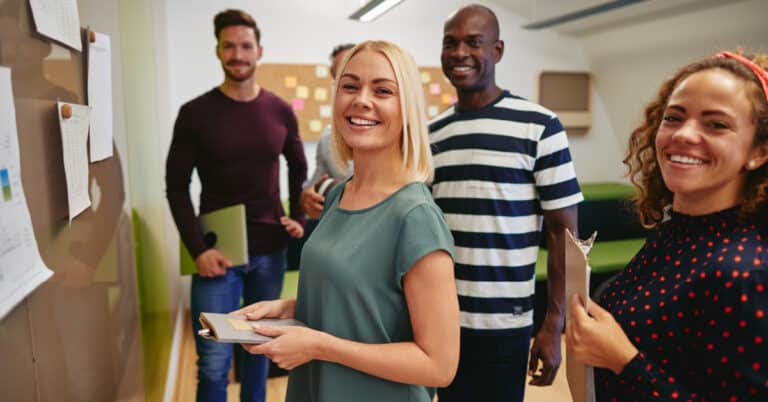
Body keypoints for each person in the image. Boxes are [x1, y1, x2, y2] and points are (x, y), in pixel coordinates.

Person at [235, 40, 460, 402]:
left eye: (383, 90)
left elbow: (439, 365)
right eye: (350, 86)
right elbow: (367, 304)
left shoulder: (415, 217)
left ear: (408, 110)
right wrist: (290, 309)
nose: (361, 100)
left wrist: (320, 345)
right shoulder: (340, 195)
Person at [567, 51, 768, 401]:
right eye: (674, 118)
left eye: (716, 124)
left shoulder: (745, 270)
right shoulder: (677, 232)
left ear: (759, 152)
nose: (684, 134)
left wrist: (622, 360)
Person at [429, 5, 583, 402]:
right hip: (440, 320)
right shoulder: (433, 134)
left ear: (497, 51)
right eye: (451, 43)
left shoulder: (539, 126)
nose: (460, 52)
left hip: (505, 326)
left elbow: (564, 236)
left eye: (473, 42)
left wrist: (554, 323)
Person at [165, 9, 307, 402]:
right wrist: (198, 250)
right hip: (218, 254)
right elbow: (176, 187)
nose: (238, 54)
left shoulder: (279, 110)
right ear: (218, 51)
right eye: (229, 46)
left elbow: (299, 165)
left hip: (270, 250)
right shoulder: (195, 114)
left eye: (246, 46)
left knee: (261, 348)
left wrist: (297, 216)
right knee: (213, 358)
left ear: (259, 51)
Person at [301, 43, 355, 218]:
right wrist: (307, 196)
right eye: (340, 79)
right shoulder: (328, 139)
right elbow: (314, 186)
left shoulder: (406, 134)